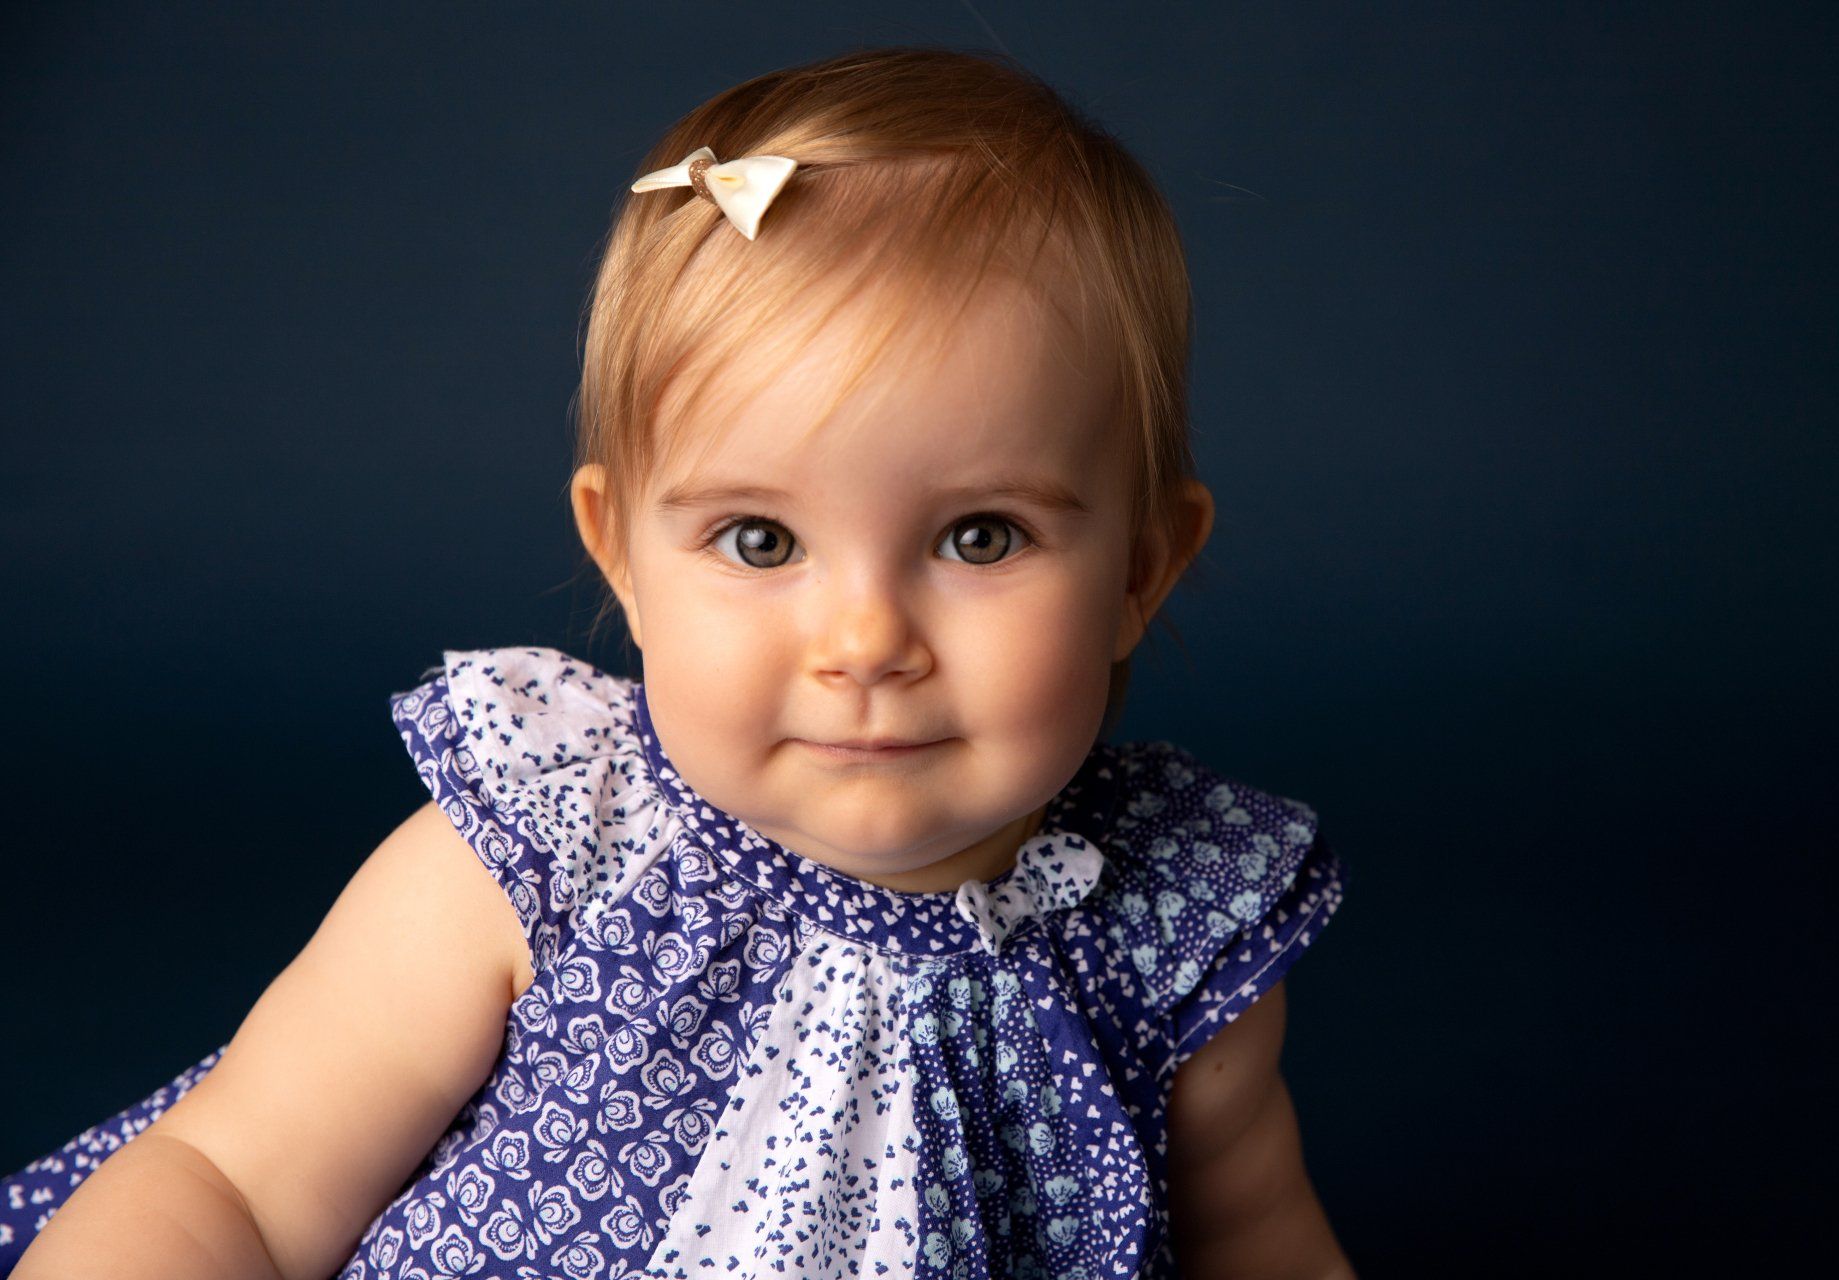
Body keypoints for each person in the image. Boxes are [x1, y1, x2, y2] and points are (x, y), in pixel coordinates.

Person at [3, 45, 1353, 1280]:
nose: (866, 642)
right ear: (624, 559)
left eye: (979, 535)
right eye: (760, 538)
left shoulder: (1172, 940)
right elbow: (227, 1185)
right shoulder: (542, 858)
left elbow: (1264, 1249)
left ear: (1138, 571)